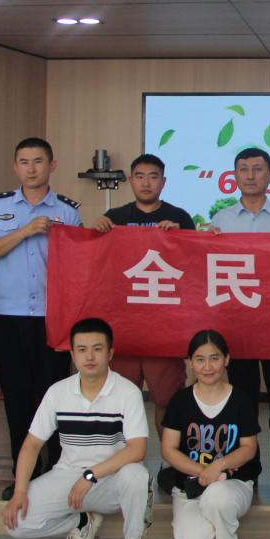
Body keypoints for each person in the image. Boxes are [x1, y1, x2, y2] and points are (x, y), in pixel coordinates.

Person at [0, 137, 82, 500]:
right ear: (15, 166)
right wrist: (24, 230)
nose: (31, 168)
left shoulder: (67, 211)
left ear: (52, 165)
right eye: (24, 161)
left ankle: (56, 473)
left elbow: (81, 263)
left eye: (38, 161)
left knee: (54, 396)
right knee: (17, 398)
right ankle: (24, 474)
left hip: (52, 318)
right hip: (8, 317)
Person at [2, 318, 153, 539]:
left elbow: (137, 449)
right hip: (68, 477)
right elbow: (32, 444)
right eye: (82, 349)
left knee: (136, 475)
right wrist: (19, 491)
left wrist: (90, 475)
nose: (89, 357)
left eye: (97, 349)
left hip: (111, 478)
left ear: (110, 353)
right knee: (16, 522)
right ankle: (82, 522)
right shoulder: (58, 392)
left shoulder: (128, 392)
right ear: (72, 354)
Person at [212, 147, 270, 474]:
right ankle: (247, 469)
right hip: (238, 325)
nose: (250, 176)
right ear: (234, 175)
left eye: (258, 169)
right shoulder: (220, 220)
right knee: (244, 398)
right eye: (244, 169)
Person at [93, 153, 194, 430]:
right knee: (120, 402)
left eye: (153, 177)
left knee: (167, 400)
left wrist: (181, 238)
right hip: (124, 327)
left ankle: (169, 456)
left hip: (164, 328)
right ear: (130, 180)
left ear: (164, 182)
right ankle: (124, 456)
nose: (146, 183)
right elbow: (98, 264)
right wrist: (96, 232)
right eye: (139, 176)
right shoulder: (115, 218)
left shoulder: (179, 217)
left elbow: (194, 268)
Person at [160, 330, 260, 539]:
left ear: (226, 359)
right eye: (200, 359)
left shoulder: (241, 399)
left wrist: (219, 466)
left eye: (214, 358)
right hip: (191, 485)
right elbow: (169, 449)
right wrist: (204, 471)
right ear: (190, 362)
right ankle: (215, 520)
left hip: (233, 483)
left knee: (217, 496)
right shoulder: (180, 401)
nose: (207, 367)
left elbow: (249, 448)